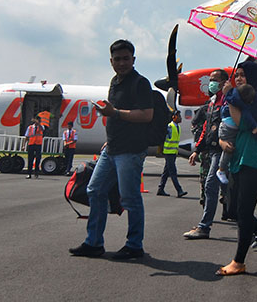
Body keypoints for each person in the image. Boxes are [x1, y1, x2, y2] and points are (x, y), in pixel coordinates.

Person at [69, 39, 154, 260]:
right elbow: (113, 113)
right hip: (112, 148)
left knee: (130, 198)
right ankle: (94, 243)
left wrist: (115, 113)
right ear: (111, 61)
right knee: (94, 190)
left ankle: (135, 245)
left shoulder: (140, 83)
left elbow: (146, 115)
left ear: (133, 60)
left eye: (126, 59)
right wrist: (110, 136)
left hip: (131, 150)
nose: (122, 63)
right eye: (117, 59)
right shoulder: (114, 82)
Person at [216, 61, 257, 276]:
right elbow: (231, 126)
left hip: (256, 160)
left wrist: (230, 95)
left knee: (243, 211)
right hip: (240, 159)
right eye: (238, 75)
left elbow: (243, 123)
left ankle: (239, 261)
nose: (239, 78)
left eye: (243, 75)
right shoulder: (241, 99)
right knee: (233, 209)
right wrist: (223, 143)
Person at [184, 69, 230, 239]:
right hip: (211, 150)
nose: (211, 83)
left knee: (211, 184)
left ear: (224, 82)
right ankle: (255, 227)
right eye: (210, 79)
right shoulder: (211, 103)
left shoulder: (228, 101)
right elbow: (206, 128)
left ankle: (204, 227)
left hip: (222, 151)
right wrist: (197, 150)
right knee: (227, 188)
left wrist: (230, 94)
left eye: (215, 80)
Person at [215, 83, 257, 185]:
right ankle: (221, 170)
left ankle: (224, 169)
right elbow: (248, 117)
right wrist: (254, 126)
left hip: (225, 127)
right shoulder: (239, 104)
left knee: (230, 149)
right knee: (229, 149)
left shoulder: (231, 96)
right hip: (228, 129)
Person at [158, 111, 187, 198]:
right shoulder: (170, 127)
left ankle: (160, 189)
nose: (181, 118)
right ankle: (179, 190)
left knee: (166, 172)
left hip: (173, 152)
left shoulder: (177, 127)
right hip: (168, 152)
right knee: (173, 172)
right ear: (174, 117)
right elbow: (162, 136)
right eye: (179, 116)